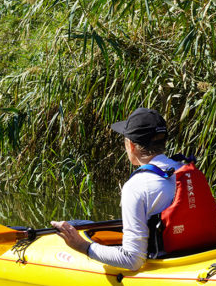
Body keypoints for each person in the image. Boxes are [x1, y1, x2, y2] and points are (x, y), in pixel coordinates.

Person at [51, 108, 188, 270]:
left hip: (169, 268)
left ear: (131, 145)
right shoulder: (187, 170)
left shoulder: (137, 186)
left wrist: (82, 246)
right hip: (199, 257)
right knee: (85, 223)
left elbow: (132, 260)